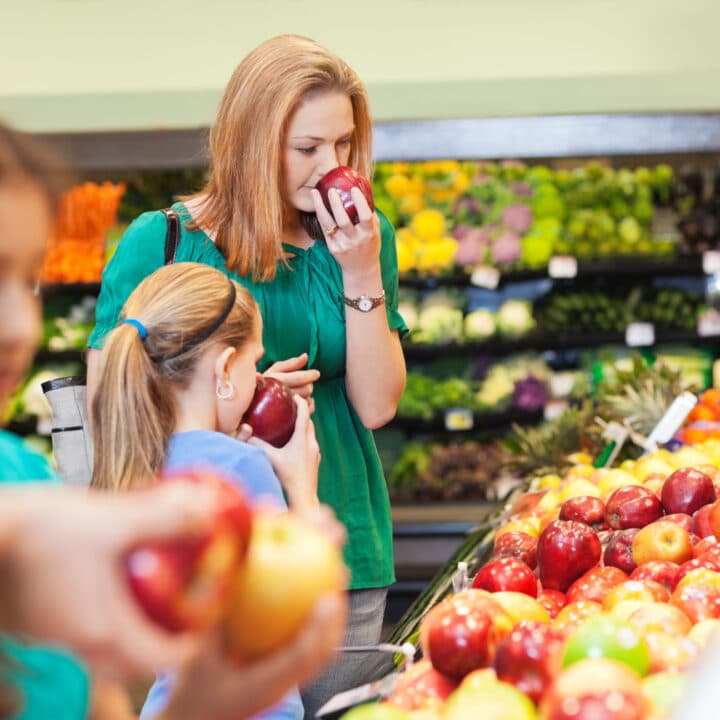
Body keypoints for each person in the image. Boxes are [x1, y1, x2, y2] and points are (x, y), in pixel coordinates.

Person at [85, 33, 408, 715]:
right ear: (253, 140)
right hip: (200, 564)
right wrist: (242, 401)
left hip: (340, 544)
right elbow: (108, 401)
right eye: (308, 148)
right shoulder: (163, 241)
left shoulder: (359, 235)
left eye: (344, 145)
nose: (332, 167)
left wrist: (359, 272)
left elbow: (377, 405)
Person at [0, 121, 347, 719]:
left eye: (26, 279)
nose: (19, 328)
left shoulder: (25, 477)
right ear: (223, 369)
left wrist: (202, 703)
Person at [90, 261, 323, 719]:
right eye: (254, 363)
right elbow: (299, 613)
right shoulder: (242, 466)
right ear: (224, 368)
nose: (259, 380)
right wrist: (301, 482)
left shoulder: (139, 460)